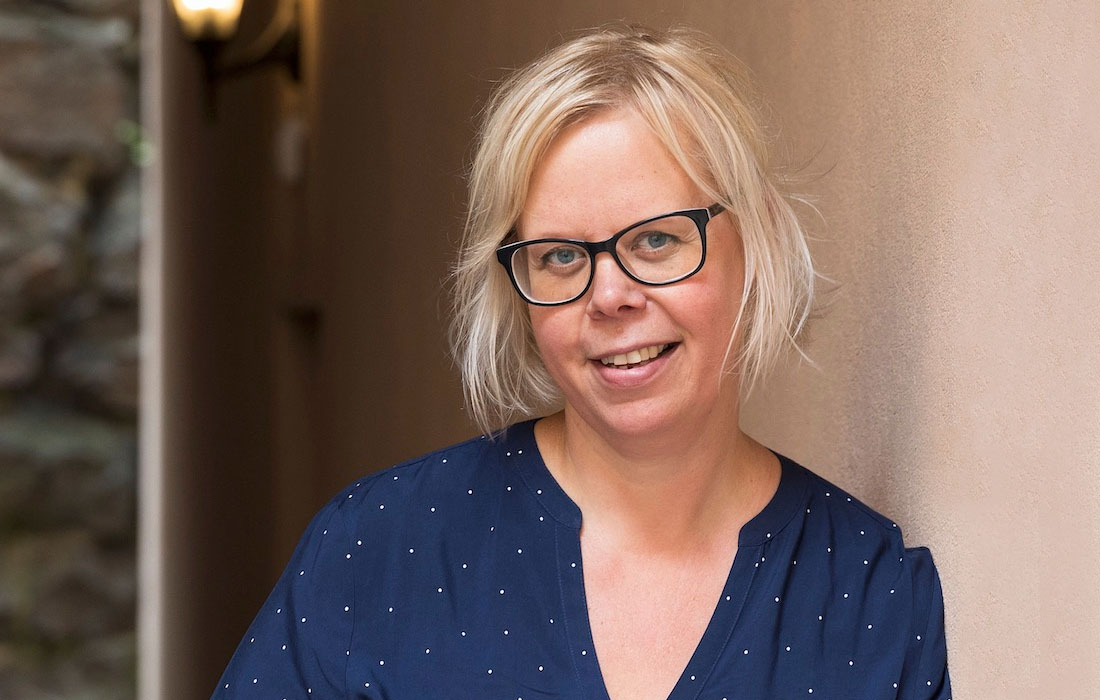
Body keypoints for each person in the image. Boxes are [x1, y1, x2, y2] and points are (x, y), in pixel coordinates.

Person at [213, 25, 951, 699]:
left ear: (752, 239)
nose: (610, 296)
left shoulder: (874, 595)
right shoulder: (375, 551)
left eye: (656, 240)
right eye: (562, 256)